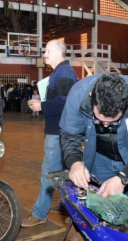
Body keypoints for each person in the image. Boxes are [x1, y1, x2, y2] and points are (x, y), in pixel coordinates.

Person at [60, 73, 128, 219]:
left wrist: (124, 177)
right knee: (100, 213)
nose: (105, 125)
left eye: (113, 121)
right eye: (100, 119)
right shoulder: (78, 94)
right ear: (91, 96)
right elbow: (69, 134)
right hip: (100, 159)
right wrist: (75, 162)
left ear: (127, 101)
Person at [21, 39, 78, 227]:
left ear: (58, 52)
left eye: (47, 51)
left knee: (48, 173)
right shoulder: (59, 73)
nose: (44, 55)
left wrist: (41, 105)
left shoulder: (64, 73)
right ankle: (65, 206)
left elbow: (65, 102)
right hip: (59, 130)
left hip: (58, 132)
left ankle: (39, 212)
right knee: (64, 173)